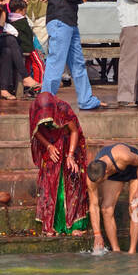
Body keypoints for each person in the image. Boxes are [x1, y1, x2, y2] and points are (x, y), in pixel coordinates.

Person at [43, 0, 100, 110]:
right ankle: (46, 102)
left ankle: (86, 99)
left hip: (69, 20)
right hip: (59, 20)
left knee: (78, 64)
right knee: (56, 64)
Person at [29, 91, 90, 236]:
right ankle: (52, 226)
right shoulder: (35, 109)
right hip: (51, 147)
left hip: (68, 145)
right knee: (51, 186)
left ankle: (74, 225)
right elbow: (35, 131)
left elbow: (74, 131)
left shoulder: (63, 108)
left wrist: (70, 156)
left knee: (72, 185)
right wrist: (48, 146)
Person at [86, 142, 138, 253]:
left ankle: (132, 251)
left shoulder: (124, 156)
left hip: (135, 168)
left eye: (101, 182)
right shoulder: (92, 175)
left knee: (137, 206)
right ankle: (116, 250)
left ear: (106, 173)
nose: (99, 185)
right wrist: (97, 234)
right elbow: (93, 205)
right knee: (106, 209)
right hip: (115, 173)